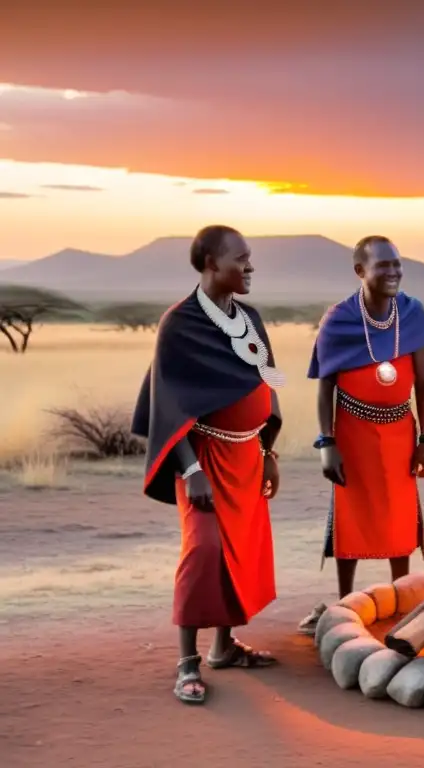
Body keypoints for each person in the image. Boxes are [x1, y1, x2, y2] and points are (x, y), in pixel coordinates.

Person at [131, 224, 285, 705]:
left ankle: (223, 647)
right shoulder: (179, 324)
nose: (250, 267)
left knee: (240, 550)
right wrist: (191, 469)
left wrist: (267, 451)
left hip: (247, 455)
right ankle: (186, 662)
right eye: (241, 258)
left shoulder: (252, 319)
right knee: (203, 551)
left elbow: (268, 381)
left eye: (250, 257)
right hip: (204, 457)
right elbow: (169, 404)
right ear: (211, 264)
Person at [297, 236, 424, 635]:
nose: (393, 272)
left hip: (399, 431)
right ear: (360, 271)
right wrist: (327, 443)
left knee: (399, 516)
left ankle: (400, 600)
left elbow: (423, 384)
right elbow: (325, 388)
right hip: (352, 431)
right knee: (352, 514)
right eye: (383, 266)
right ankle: (344, 604)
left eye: (397, 264)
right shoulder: (338, 319)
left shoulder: (411, 313)